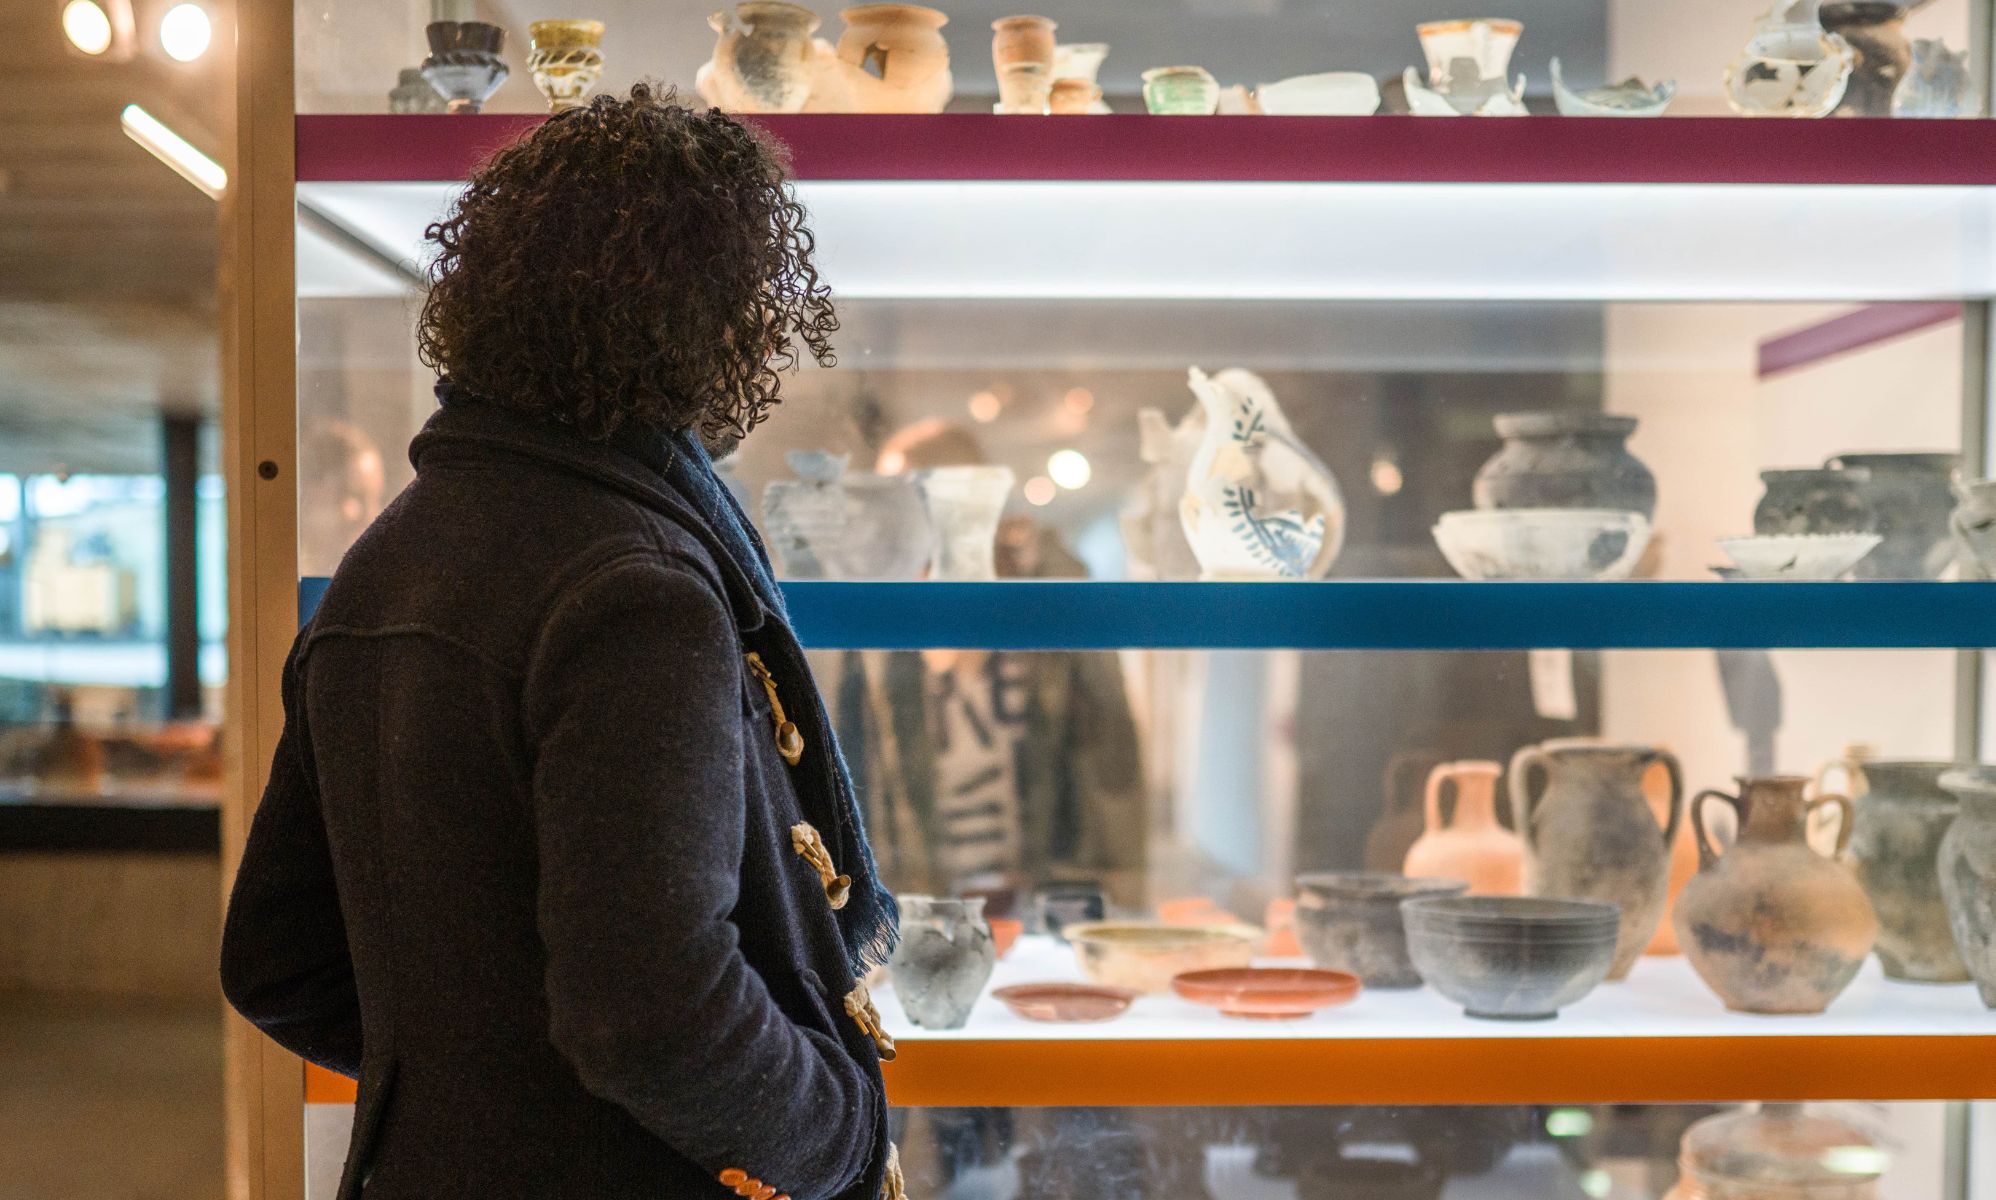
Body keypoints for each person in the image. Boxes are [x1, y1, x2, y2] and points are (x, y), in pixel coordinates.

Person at [220, 87, 901, 1200]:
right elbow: (650, 1013)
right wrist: (839, 1139)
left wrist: (487, 1086)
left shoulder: (388, 555)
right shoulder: (637, 590)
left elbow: (279, 965)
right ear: (706, 315)